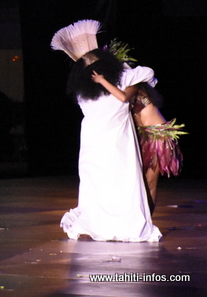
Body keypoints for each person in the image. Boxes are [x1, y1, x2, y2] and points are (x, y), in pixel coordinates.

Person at [51, 20, 161, 242]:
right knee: (117, 182)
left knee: (100, 184)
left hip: (98, 142)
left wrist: (111, 75)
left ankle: (101, 224)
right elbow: (147, 74)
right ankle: (121, 225)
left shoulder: (85, 93)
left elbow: (145, 77)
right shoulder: (120, 81)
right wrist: (119, 69)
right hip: (111, 141)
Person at [131, 82, 185, 214]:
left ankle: (148, 219)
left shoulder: (136, 90)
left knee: (149, 181)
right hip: (145, 136)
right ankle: (142, 216)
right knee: (142, 181)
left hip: (157, 137)